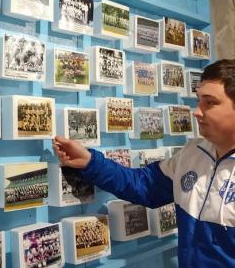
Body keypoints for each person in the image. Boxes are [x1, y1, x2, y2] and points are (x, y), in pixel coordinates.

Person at [53, 59, 235, 267]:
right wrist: (90, 162)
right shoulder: (193, 153)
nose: (196, 111)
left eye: (210, 102)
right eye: (199, 100)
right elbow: (144, 185)